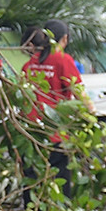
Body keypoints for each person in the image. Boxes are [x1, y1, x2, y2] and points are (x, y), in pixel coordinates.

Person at [21, 21, 83, 198]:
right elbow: (79, 93)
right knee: (60, 174)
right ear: (64, 38)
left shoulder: (30, 64)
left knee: (31, 175)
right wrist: (90, 115)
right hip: (55, 131)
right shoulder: (63, 60)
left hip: (31, 129)